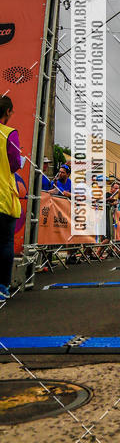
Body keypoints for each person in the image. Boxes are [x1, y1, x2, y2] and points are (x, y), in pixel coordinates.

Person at [0, 96, 21, 300]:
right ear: (7, 112)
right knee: (5, 243)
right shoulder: (9, 134)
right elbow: (15, 163)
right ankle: (2, 287)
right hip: (3, 197)